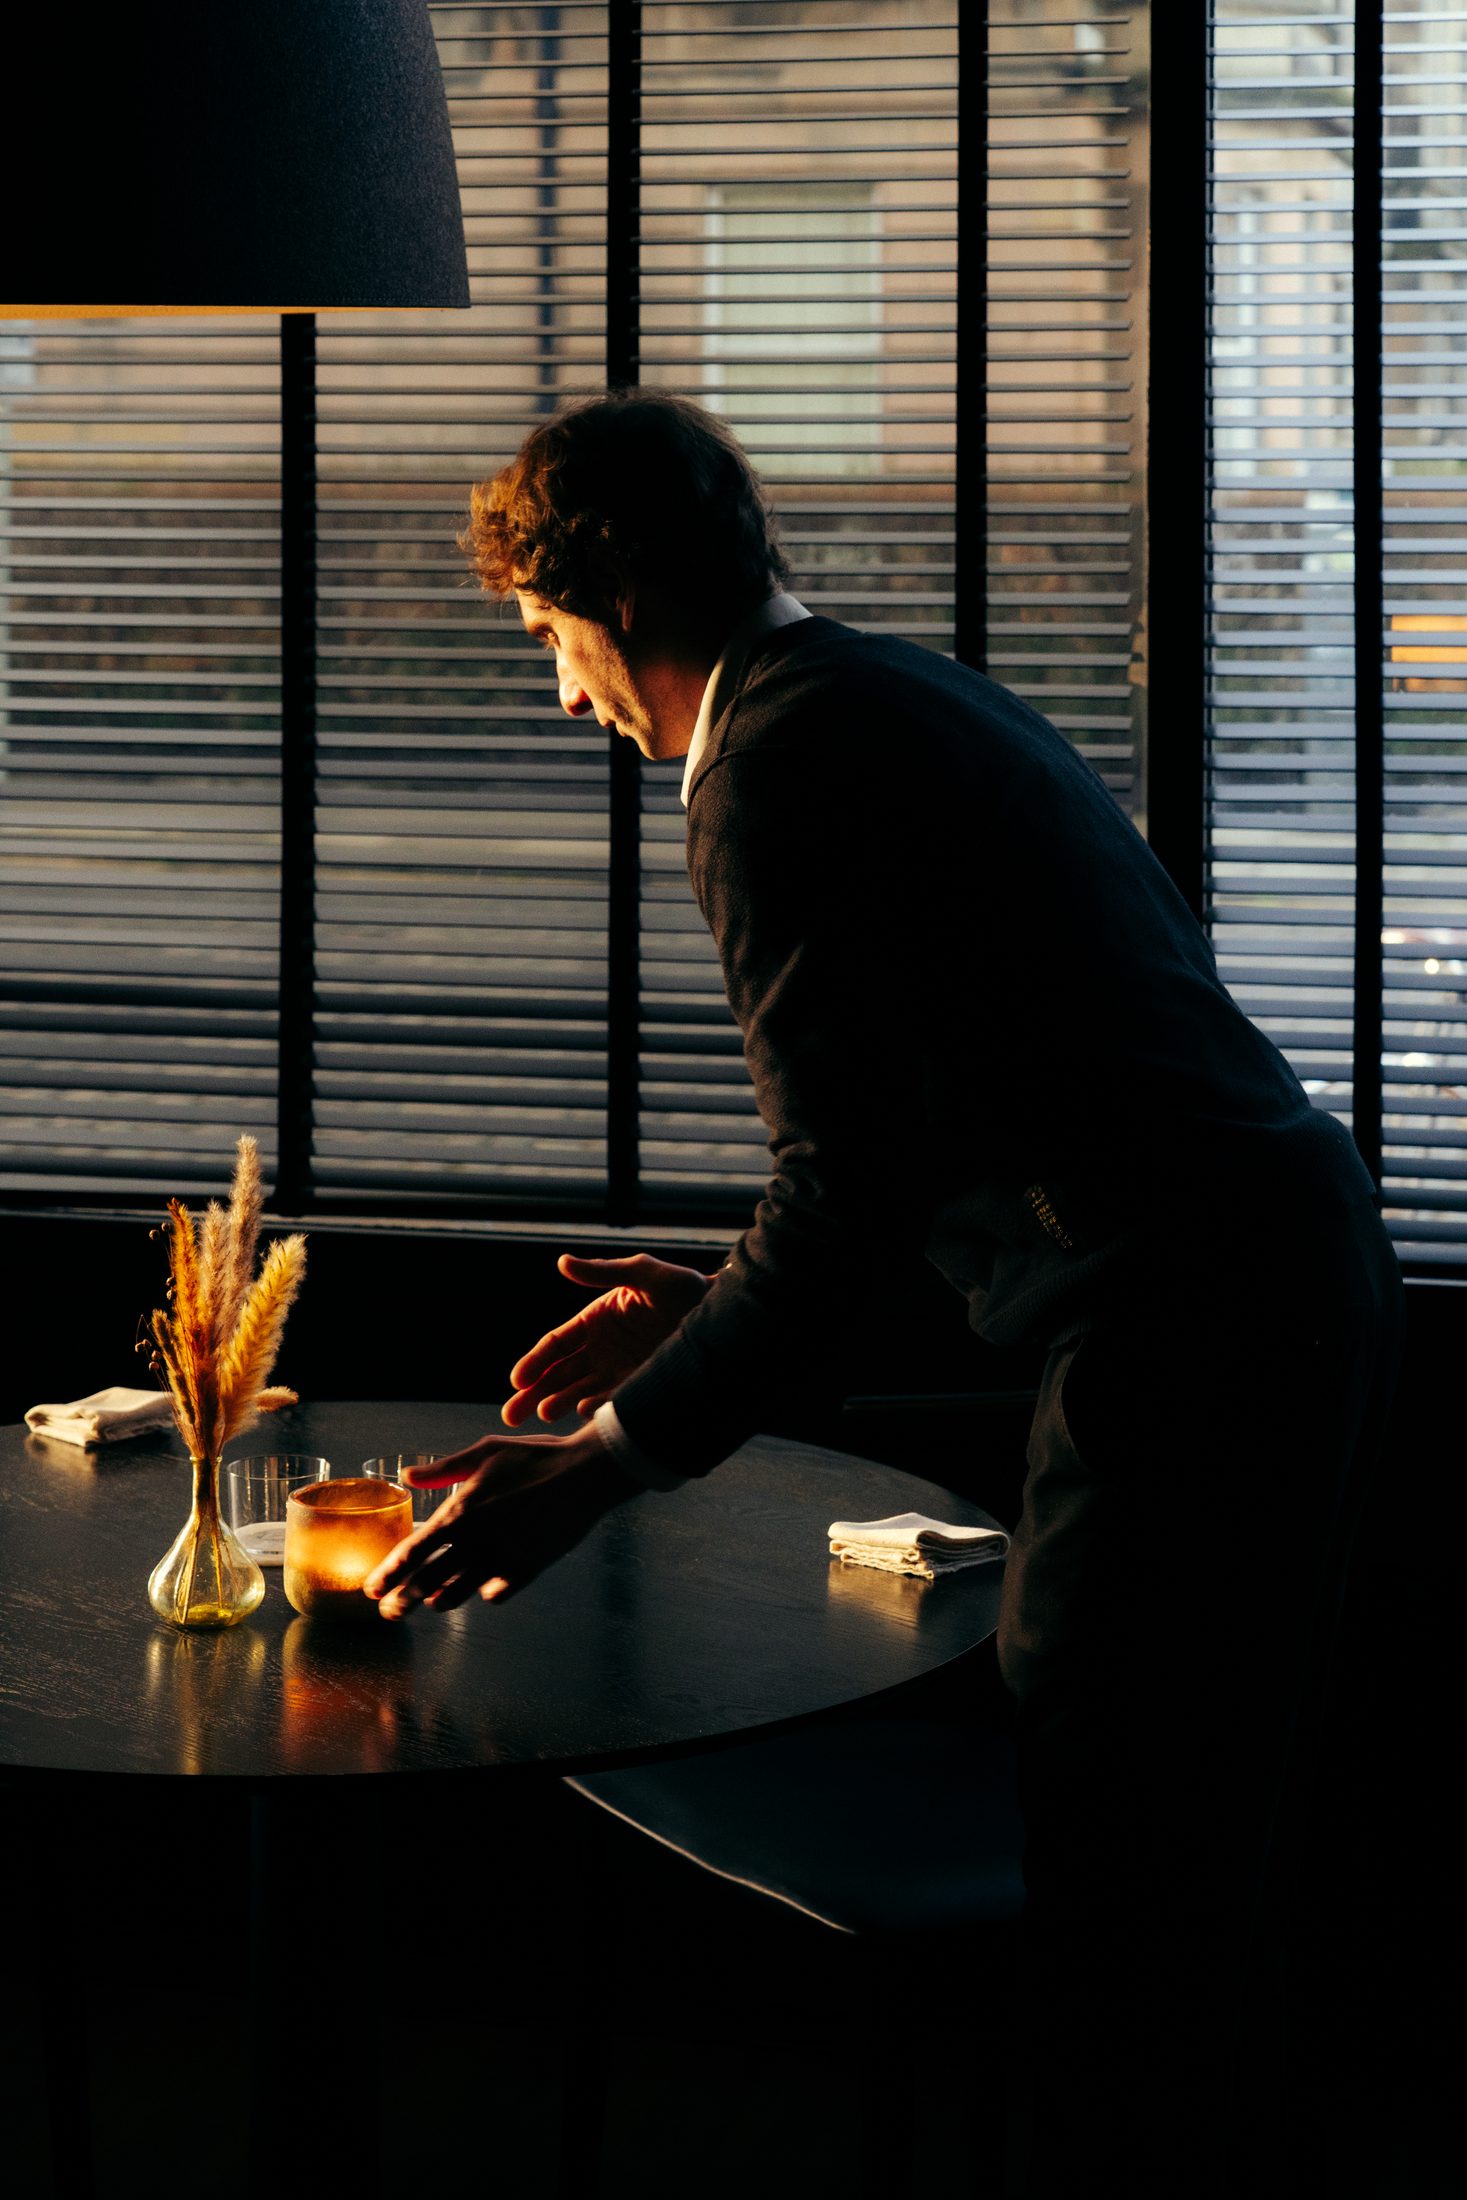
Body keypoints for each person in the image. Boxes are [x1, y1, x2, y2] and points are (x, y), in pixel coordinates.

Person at [364, 389, 1403, 2198]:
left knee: (1126, 1872)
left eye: (546, 639)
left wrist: (599, 1463)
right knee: (1173, 1855)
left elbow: (849, 1195)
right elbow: (973, 1129)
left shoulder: (767, 767)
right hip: (1255, 1282)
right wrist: (712, 1302)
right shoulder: (884, 694)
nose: (560, 695)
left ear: (609, 585)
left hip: (1198, 1327)